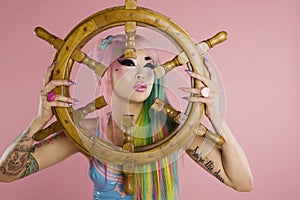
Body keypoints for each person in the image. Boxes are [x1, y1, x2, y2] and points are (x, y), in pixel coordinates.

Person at [0, 34, 253, 200]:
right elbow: (6, 174)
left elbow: (241, 182)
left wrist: (216, 117)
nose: (143, 73)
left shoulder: (174, 131)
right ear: (105, 73)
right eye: (130, 63)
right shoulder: (88, 131)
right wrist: (38, 121)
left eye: (150, 64)